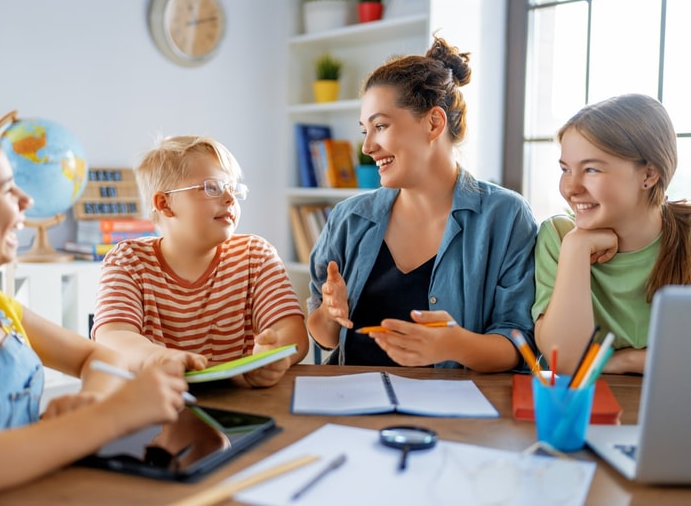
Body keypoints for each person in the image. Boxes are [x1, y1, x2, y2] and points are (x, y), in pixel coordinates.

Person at [0, 119, 196, 505]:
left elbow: (100, 356)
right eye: (6, 189)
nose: (26, 200)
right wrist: (107, 417)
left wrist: (92, 400)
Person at [306, 35, 538, 371]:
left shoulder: (505, 216)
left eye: (380, 126)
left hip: (452, 402)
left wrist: (456, 345)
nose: (367, 147)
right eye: (365, 131)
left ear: (433, 123)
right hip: (350, 398)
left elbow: (519, 344)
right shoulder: (348, 218)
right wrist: (330, 313)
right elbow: (324, 337)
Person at [92, 135, 309, 387]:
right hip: (157, 401)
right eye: (212, 188)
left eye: (233, 188)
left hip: (242, 399)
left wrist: (272, 357)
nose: (230, 198)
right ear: (165, 204)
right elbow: (114, 336)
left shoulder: (256, 255)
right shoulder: (128, 261)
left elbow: (290, 329)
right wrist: (160, 357)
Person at [533, 94, 691, 375]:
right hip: (583, 404)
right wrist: (577, 249)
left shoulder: (686, 235)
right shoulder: (559, 237)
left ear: (649, 174)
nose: (570, 188)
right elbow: (564, 361)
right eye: (566, 169)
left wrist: (625, 361)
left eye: (591, 169)